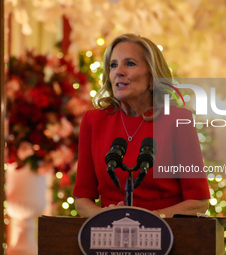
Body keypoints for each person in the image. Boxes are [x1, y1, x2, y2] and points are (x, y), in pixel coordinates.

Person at [73, 33, 210, 218]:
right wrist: (102, 217)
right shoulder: (93, 120)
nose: (118, 71)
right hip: (108, 234)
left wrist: (153, 218)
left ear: (152, 77)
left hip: (167, 234)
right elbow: (82, 199)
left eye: (130, 63)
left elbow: (199, 202)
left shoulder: (178, 120)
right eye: (113, 65)